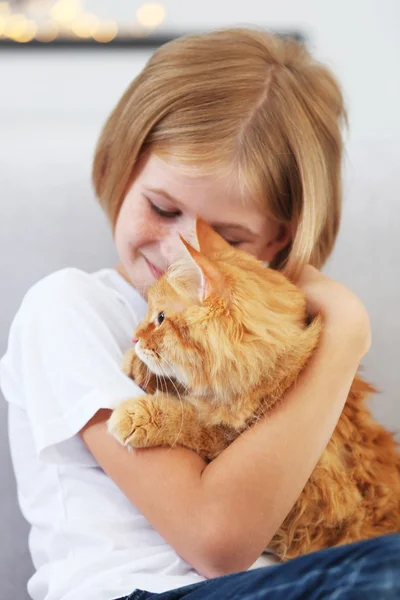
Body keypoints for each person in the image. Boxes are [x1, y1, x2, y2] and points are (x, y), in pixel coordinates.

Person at [1, 27, 398, 600]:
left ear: (279, 244)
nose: (178, 253)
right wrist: (345, 334)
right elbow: (217, 543)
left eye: (230, 241)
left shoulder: (271, 341)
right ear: (123, 168)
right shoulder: (66, 310)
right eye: (164, 208)